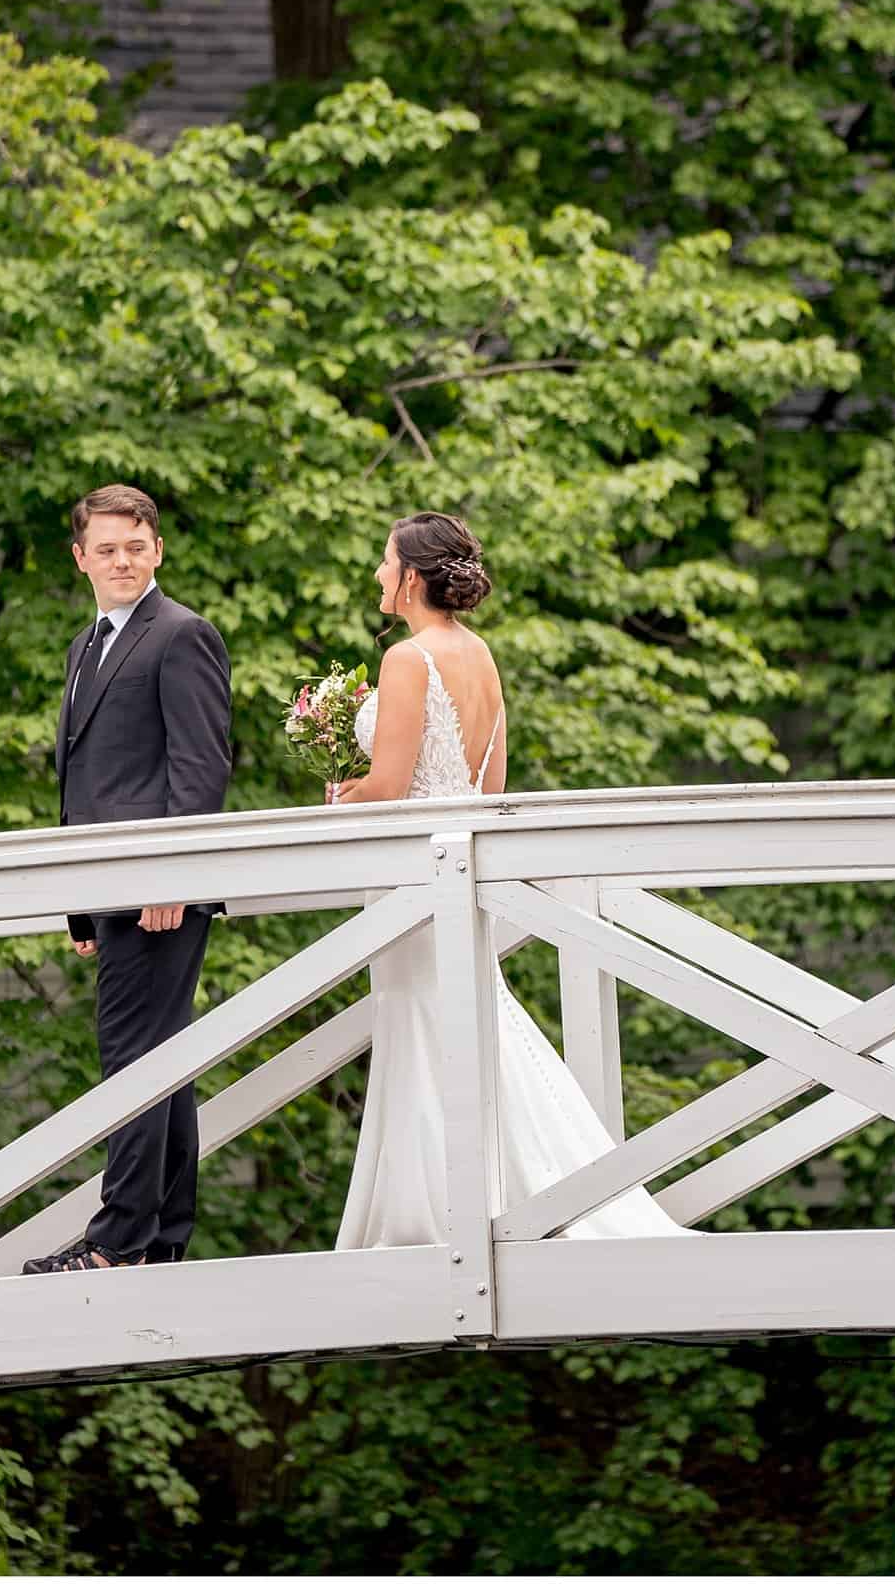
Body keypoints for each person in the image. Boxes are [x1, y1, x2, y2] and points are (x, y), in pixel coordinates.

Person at [327, 512, 682, 1245]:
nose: (376, 573)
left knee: (421, 1024)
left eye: (384, 560)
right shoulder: (481, 656)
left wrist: (340, 791)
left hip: (412, 875)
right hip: (461, 867)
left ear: (412, 576)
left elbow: (388, 785)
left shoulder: (406, 659)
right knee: (471, 1021)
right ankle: (508, 1200)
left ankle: (431, 1215)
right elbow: (492, 785)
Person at [23, 484, 234, 1274]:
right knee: (160, 1057)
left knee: (132, 1057)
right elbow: (88, 777)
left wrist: (169, 874)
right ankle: (163, 1235)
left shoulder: (182, 636)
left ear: (158, 550)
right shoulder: (88, 645)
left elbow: (200, 763)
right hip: (114, 890)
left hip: (160, 889)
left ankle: (115, 1241)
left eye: (135, 546)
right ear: (81, 557)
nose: (122, 560)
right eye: (106, 548)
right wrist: (84, 907)